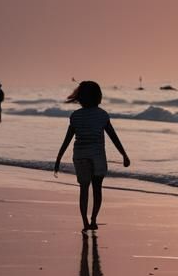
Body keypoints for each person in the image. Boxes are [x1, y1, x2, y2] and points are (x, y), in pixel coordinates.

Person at [53, 80, 131, 232]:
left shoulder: (75, 116)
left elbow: (67, 140)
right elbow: (113, 137)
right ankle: (94, 219)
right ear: (98, 97)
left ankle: (85, 222)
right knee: (97, 189)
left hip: (80, 156)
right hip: (98, 156)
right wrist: (124, 155)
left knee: (84, 190)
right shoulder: (102, 115)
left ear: (80, 97)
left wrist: (58, 159)